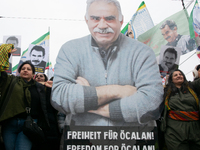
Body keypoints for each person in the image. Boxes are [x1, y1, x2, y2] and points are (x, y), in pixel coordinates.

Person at [51, 0, 163, 146]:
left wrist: (88, 99)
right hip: (81, 142)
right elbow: (60, 97)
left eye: (109, 18)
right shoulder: (70, 50)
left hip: (133, 142)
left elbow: (152, 103)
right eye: (95, 18)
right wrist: (118, 91)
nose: (102, 25)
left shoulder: (143, 53)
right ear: (86, 20)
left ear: (121, 20)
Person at [0, 46, 51, 150]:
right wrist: (6, 55)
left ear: (33, 74)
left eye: (28, 69)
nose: (25, 70)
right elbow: (1, 72)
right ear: (19, 71)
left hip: (28, 125)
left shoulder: (39, 87)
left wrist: (52, 88)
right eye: (23, 69)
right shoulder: (10, 81)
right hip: (9, 124)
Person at [162, 69, 200, 150]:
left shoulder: (192, 87)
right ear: (171, 79)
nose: (179, 76)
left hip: (195, 129)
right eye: (175, 75)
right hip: (175, 130)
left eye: (180, 74)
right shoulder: (165, 91)